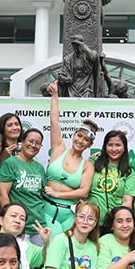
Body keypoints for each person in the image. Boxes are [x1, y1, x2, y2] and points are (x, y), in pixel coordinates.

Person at [42, 82, 94, 236]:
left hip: (69, 215)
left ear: (90, 144)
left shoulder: (87, 166)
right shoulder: (59, 149)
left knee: (68, 253)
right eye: (79, 135)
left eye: (85, 139)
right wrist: (55, 96)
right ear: (73, 135)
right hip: (47, 209)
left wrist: (58, 194)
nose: (80, 141)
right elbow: (54, 121)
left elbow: (84, 192)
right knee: (48, 250)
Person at [0, 128, 51, 246]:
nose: (33, 145)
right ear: (22, 141)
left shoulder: (40, 167)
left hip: (38, 224)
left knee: (41, 260)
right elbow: (3, 194)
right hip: (18, 225)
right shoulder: (10, 163)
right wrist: (8, 221)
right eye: (30, 141)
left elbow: (40, 194)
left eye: (38, 143)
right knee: (20, 261)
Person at [89, 130, 135, 232]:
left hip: (112, 225)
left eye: (118, 145)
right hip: (89, 221)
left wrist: (121, 222)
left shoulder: (128, 172)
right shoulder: (93, 162)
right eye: (110, 145)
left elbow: (127, 201)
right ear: (105, 147)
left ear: (124, 148)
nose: (114, 149)